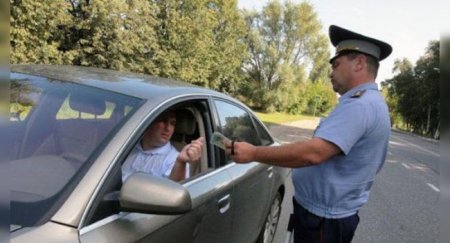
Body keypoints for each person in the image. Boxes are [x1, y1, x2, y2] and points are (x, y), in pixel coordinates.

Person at [226, 25, 392, 243]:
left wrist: (253, 153)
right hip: (325, 216)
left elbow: (312, 154)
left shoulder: (360, 105)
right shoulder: (365, 103)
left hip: (324, 220)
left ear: (359, 63)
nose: (331, 72)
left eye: (336, 64)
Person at [122, 109, 204, 182]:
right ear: (148, 121)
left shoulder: (174, 159)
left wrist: (180, 162)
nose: (168, 128)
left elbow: (174, 191)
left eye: (172, 123)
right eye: (163, 120)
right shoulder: (126, 145)